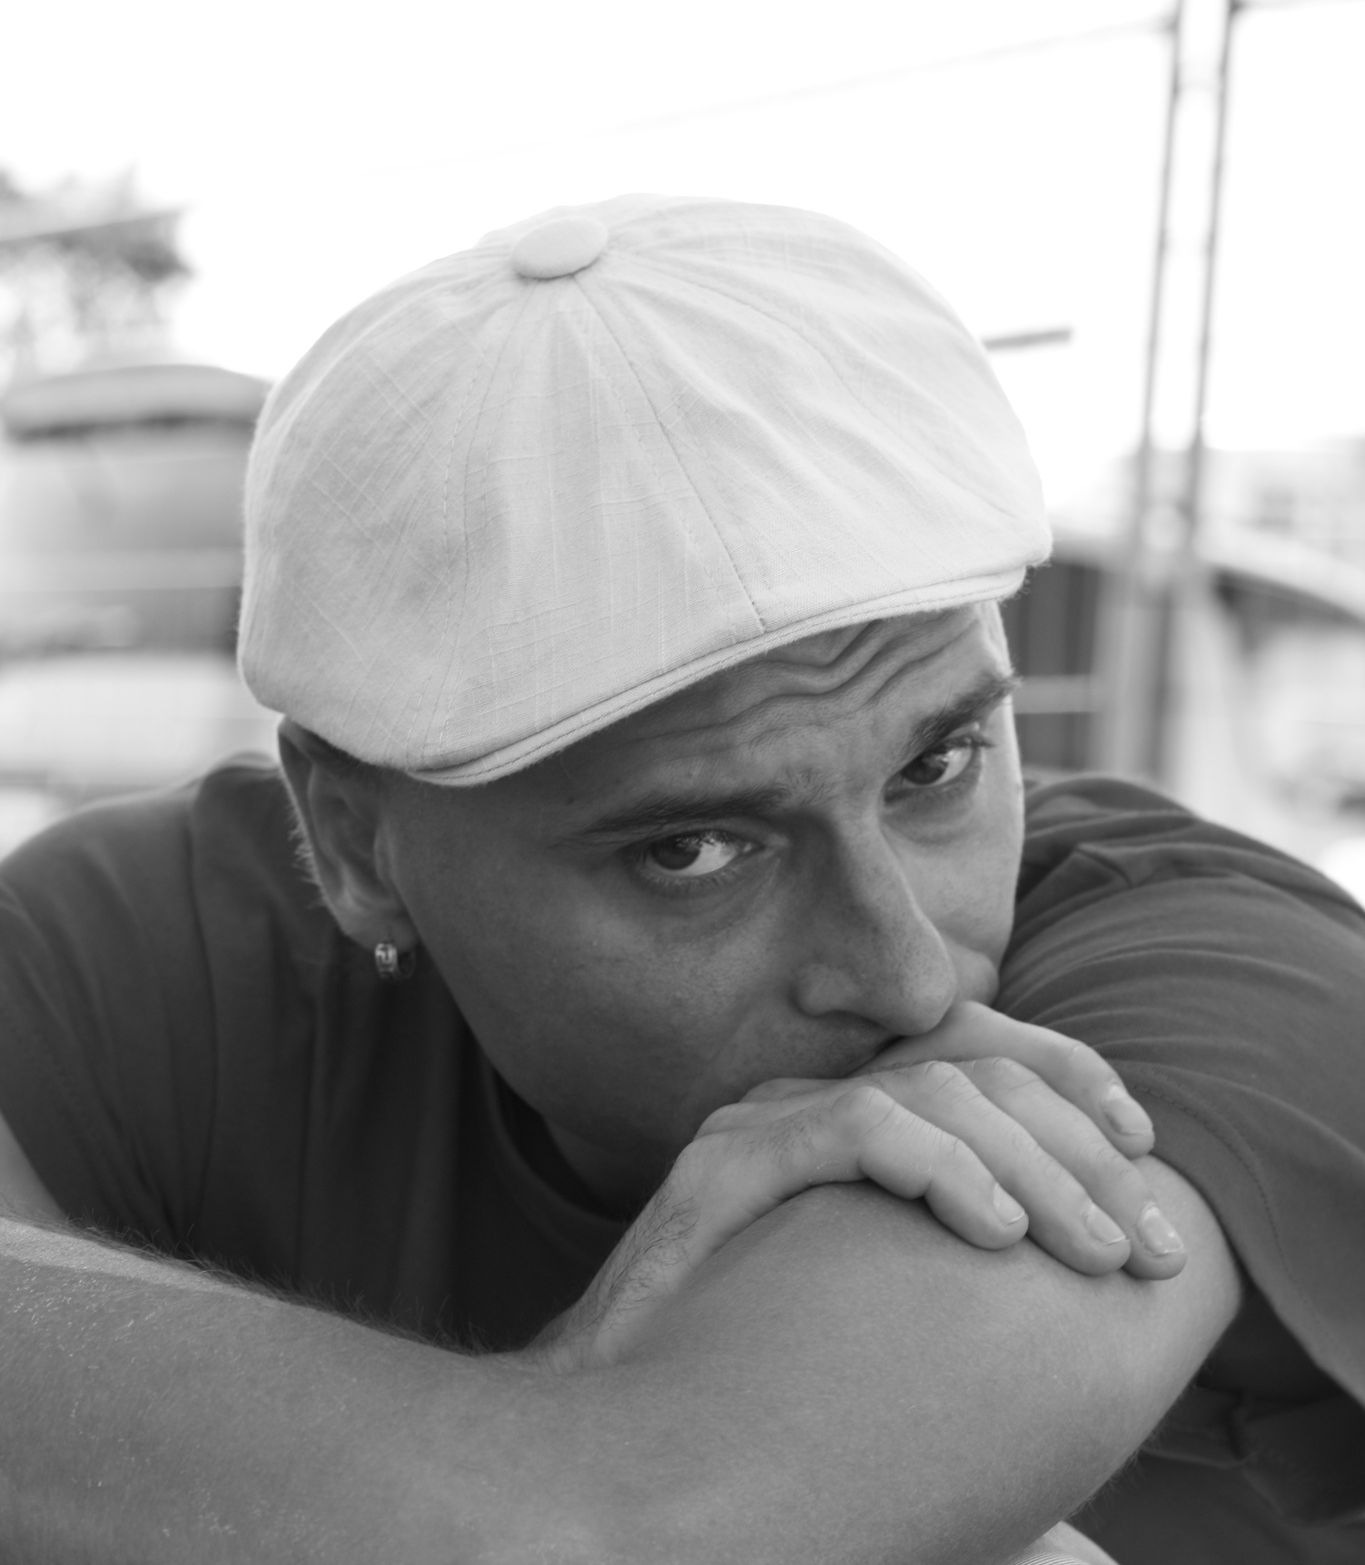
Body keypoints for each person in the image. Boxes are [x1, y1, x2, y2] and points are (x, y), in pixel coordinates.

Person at [0, 193, 1361, 1565]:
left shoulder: (1211, 974)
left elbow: (633, 1532)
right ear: (358, 845)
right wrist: (560, 1400)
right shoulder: (138, 962)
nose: (906, 976)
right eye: (691, 850)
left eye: (936, 765)